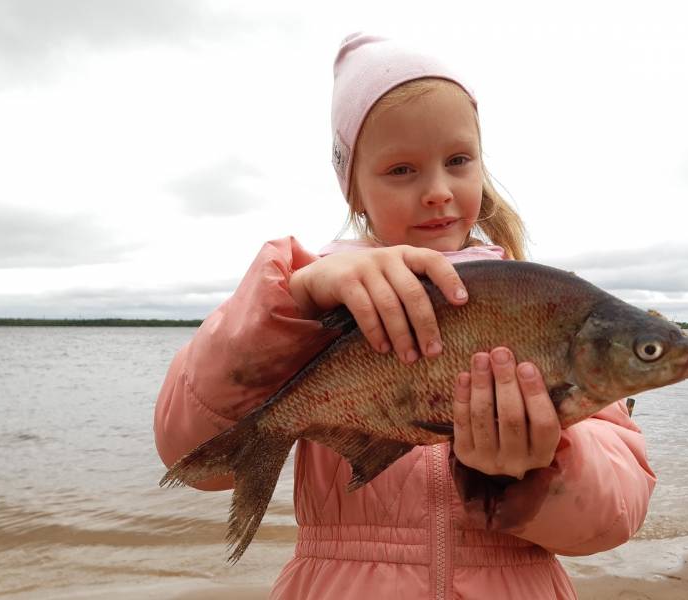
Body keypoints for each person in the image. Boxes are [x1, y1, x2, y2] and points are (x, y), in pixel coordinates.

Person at [154, 33, 656, 599]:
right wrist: (291, 301)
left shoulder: (543, 307)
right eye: (401, 170)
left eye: (458, 161)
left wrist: (536, 470)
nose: (438, 191)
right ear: (355, 193)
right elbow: (192, 456)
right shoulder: (315, 305)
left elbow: (616, 514)